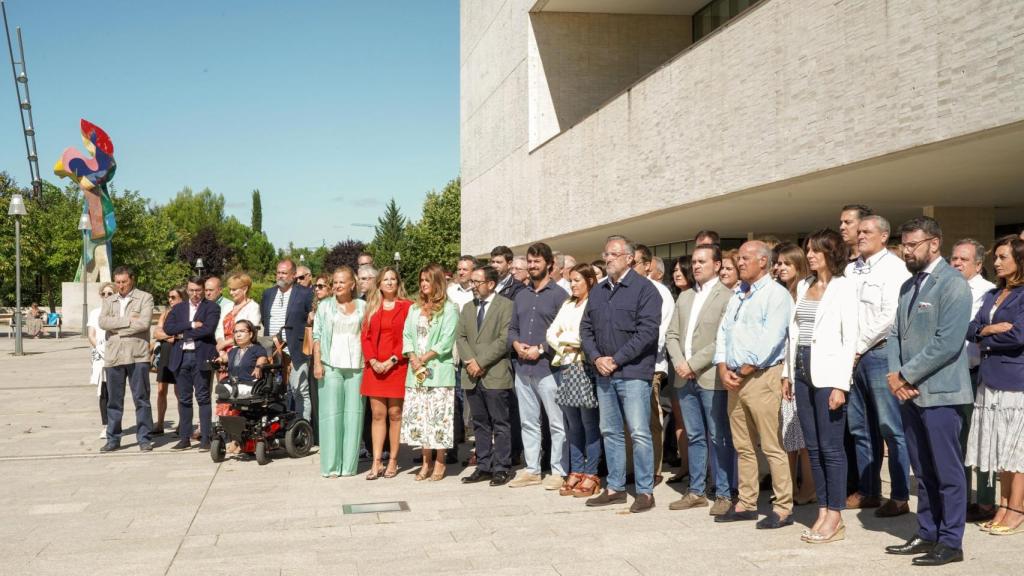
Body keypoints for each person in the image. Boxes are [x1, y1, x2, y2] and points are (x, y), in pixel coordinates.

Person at [884, 216, 973, 566]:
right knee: (922, 471)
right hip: (909, 393)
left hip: (941, 394)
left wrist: (905, 375)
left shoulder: (952, 284)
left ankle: (951, 541)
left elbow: (948, 343)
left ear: (934, 243)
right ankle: (927, 533)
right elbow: (895, 334)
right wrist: (895, 375)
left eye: (912, 244)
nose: (906, 251)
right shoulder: (909, 286)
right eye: (903, 244)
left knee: (947, 472)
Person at [781, 229, 858, 543]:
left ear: (831, 253)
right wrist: (787, 373)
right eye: (808, 250)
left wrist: (841, 385)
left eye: (815, 251)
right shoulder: (803, 285)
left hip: (829, 374)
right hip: (801, 369)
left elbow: (849, 338)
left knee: (831, 448)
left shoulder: (844, 288)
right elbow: (794, 332)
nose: (809, 255)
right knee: (812, 448)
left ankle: (835, 515)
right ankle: (823, 509)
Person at [713, 241, 794, 528]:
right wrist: (723, 367)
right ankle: (746, 502)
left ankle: (783, 507)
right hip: (734, 378)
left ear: (763, 261)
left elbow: (771, 339)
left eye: (745, 258)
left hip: (761, 377)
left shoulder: (776, 295)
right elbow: (723, 334)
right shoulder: (738, 295)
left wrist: (743, 370)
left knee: (772, 445)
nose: (740, 263)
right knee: (743, 445)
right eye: (739, 259)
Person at [581, 235, 662, 513]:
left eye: (614, 254)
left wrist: (616, 359)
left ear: (629, 258)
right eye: (606, 254)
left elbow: (647, 333)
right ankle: (614, 487)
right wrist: (596, 358)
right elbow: (586, 329)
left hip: (634, 373)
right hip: (604, 374)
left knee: (639, 432)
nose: (608, 259)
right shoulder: (599, 290)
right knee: (610, 431)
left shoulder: (645, 290)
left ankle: (644, 492)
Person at [845, 215, 912, 517]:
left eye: (866, 232)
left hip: (879, 354)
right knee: (860, 427)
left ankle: (899, 496)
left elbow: (889, 316)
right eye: (858, 231)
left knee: (890, 428)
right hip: (853, 357)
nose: (860, 236)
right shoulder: (850, 269)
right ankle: (869, 490)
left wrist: (858, 347)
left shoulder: (895, 269)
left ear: (884, 236)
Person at [664, 243, 735, 515]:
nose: (695, 266)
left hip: (709, 377)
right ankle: (695, 490)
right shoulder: (684, 297)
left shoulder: (728, 296)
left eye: (701, 261)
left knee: (719, 436)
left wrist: (692, 364)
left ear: (717, 265)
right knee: (695, 436)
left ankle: (724, 493)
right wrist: (680, 363)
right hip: (684, 378)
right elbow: (671, 335)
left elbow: (722, 339)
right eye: (693, 261)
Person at [965, 235, 1024, 536]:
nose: (996, 262)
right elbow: (970, 327)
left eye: (1003, 257)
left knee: (1016, 450)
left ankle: (1017, 509)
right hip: (989, 380)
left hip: (1015, 382)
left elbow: (1018, 336)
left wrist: (983, 335)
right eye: (996, 257)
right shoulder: (992, 294)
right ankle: (1003, 505)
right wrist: (988, 329)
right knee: (999, 447)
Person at [508, 243, 570, 489]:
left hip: (549, 369)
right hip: (523, 370)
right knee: (528, 421)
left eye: (537, 262)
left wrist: (541, 348)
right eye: (530, 262)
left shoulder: (560, 296)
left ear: (549, 265)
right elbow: (512, 327)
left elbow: (565, 332)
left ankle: (559, 470)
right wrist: (515, 344)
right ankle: (532, 469)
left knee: (557, 423)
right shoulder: (521, 295)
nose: (532, 266)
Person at [950, 238, 998, 522]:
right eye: (953, 258)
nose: (956, 263)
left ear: (978, 265)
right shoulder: (949, 288)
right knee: (958, 439)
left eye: (963, 259)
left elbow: (979, 329)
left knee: (982, 439)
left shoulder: (987, 292)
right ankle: (962, 497)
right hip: (952, 374)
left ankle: (986, 500)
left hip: (978, 372)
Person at [546, 263, 602, 497]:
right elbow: (551, 333)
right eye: (571, 280)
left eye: (577, 280)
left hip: (585, 367)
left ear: (589, 280)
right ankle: (576, 470)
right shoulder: (568, 304)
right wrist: (566, 344)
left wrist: (569, 339)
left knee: (590, 423)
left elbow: (585, 335)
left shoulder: (594, 303)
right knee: (573, 424)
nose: (573, 284)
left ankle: (591, 473)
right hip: (566, 366)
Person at [458, 265, 515, 487]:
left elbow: (504, 339)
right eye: (471, 282)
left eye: (477, 282)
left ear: (491, 284)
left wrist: (481, 362)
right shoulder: (467, 308)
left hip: (495, 373)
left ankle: (501, 467)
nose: (472, 286)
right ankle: (483, 466)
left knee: (500, 423)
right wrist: (471, 362)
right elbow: (460, 337)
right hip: (472, 375)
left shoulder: (506, 306)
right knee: (480, 422)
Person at [402, 264, 458, 481]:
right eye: (422, 280)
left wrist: (425, 357)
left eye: (428, 280)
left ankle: (440, 462)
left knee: (439, 418)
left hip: (438, 370)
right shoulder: (414, 309)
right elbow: (407, 335)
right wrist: (414, 357)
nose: (424, 284)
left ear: (437, 282)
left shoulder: (449, 309)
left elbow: (447, 339)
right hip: (416, 371)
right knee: (421, 418)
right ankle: (425, 462)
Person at [312, 266, 366, 477]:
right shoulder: (325, 306)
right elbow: (317, 336)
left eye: (342, 282)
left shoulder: (363, 306)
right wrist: (318, 363)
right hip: (330, 364)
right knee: (330, 416)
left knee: (354, 416)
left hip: (357, 367)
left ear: (352, 284)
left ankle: (349, 466)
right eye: (334, 282)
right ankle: (331, 465)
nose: (337, 286)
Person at [773, 242, 816, 505]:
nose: (780, 268)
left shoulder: (803, 293)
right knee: (787, 436)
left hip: (798, 370)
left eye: (787, 264)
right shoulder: (781, 293)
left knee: (803, 439)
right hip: (782, 371)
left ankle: (809, 488)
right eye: (778, 263)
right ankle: (787, 488)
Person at [360, 266, 412, 480]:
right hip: (374, 368)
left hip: (397, 366)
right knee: (378, 415)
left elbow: (408, 338)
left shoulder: (408, 307)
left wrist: (390, 361)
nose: (389, 283)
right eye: (385, 279)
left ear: (398, 283)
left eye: (393, 279)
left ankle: (393, 461)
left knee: (395, 414)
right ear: (379, 283)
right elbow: (366, 337)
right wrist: (373, 360)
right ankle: (376, 461)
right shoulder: (372, 307)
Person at [98, 266, 155, 452]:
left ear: (132, 280)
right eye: (118, 282)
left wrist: (117, 327)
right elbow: (103, 322)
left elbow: (144, 323)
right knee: (114, 400)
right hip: (114, 357)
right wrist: (129, 321)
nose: (121, 286)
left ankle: (144, 438)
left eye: (124, 282)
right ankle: (113, 438)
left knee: (142, 399)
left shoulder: (145, 297)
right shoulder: (109, 300)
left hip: (137, 355)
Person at [164, 277, 222, 451]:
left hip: (201, 356)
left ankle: (205, 438)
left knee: (203, 397)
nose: (195, 294)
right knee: (184, 398)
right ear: (187, 290)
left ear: (204, 290)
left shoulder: (212, 307)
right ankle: (184, 437)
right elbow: (168, 328)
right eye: (191, 290)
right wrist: (191, 324)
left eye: (198, 290)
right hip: (181, 357)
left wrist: (183, 334)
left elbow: (208, 329)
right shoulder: (178, 308)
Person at [633, 244, 675, 485]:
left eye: (635, 263)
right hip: (627, 365)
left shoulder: (659, 292)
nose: (630, 268)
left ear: (647, 265)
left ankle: (654, 468)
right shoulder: (626, 290)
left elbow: (660, 332)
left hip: (651, 365)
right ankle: (635, 466)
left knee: (650, 420)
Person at [261, 259, 314, 420]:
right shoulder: (268, 293)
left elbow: (310, 321)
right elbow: (265, 319)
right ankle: (279, 429)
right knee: (276, 390)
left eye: (284, 273)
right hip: (274, 350)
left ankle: (302, 428)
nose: (280, 276)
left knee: (299, 390)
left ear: (293, 275)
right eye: (278, 272)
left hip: (296, 350)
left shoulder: (305, 294)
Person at [151, 287, 186, 436]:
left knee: (179, 391)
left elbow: (183, 333)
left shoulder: (186, 313)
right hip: (165, 352)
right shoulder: (166, 313)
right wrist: (168, 336)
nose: (170, 300)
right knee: (161, 390)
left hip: (179, 352)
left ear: (182, 298)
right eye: (169, 297)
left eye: (173, 297)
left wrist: (166, 335)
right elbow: (156, 332)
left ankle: (182, 423)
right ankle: (159, 423)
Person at [89, 283, 116, 439]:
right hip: (100, 355)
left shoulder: (118, 312)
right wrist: (99, 348)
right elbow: (91, 334)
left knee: (116, 391)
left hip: (116, 354)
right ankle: (106, 425)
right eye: (104, 294)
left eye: (110, 293)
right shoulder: (95, 313)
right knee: (103, 391)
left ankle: (115, 422)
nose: (107, 296)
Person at [216, 273, 262, 355]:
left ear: (245, 289)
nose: (230, 293)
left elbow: (250, 333)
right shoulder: (227, 306)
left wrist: (225, 344)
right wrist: (221, 347)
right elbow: (219, 329)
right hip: (223, 351)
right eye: (230, 289)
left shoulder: (253, 307)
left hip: (242, 352)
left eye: (234, 290)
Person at [205, 276, 233, 343]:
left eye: (211, 290)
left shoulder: (229, 305)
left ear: (220, 290)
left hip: (222, 342)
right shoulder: (203, 305)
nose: (208, 293)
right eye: (206, 290)